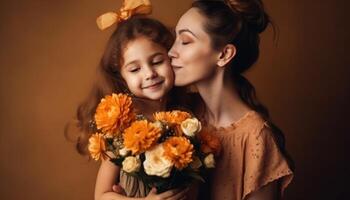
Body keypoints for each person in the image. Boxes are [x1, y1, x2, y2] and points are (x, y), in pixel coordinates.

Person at [168, 0, 294, 199]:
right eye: (175, 40)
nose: (171, 52)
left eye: (185, 41)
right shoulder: (179, 113)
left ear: (224, 54)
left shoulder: (256, 139)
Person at [67, 1, 190, 199]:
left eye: (157, 61)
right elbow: (102, 195)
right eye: (135, 69)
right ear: (122, 77)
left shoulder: (185, 117)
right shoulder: (123, 126)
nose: (149, 73)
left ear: (172, 58)